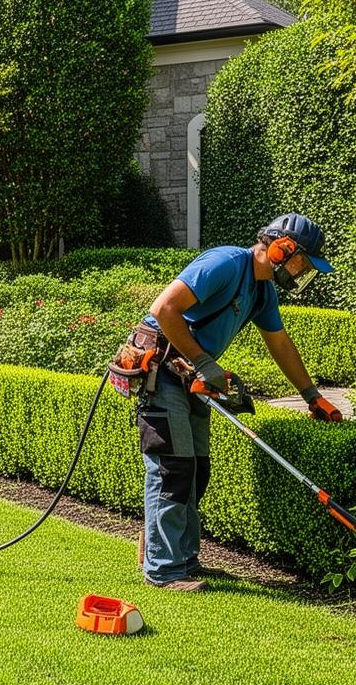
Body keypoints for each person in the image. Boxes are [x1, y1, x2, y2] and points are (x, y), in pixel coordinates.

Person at [119, 213, 343, 592]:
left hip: (190, 376)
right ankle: (163, 569)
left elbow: (280, 344)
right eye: (303, 262)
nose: (304, 272)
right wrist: (204, 362)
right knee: (172, 469)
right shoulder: (225, 263)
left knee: (196, 470)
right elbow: (164, 309)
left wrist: (312, 397)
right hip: (162, 370)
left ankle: (184, 560)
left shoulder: (263, 292)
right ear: (282, 249)